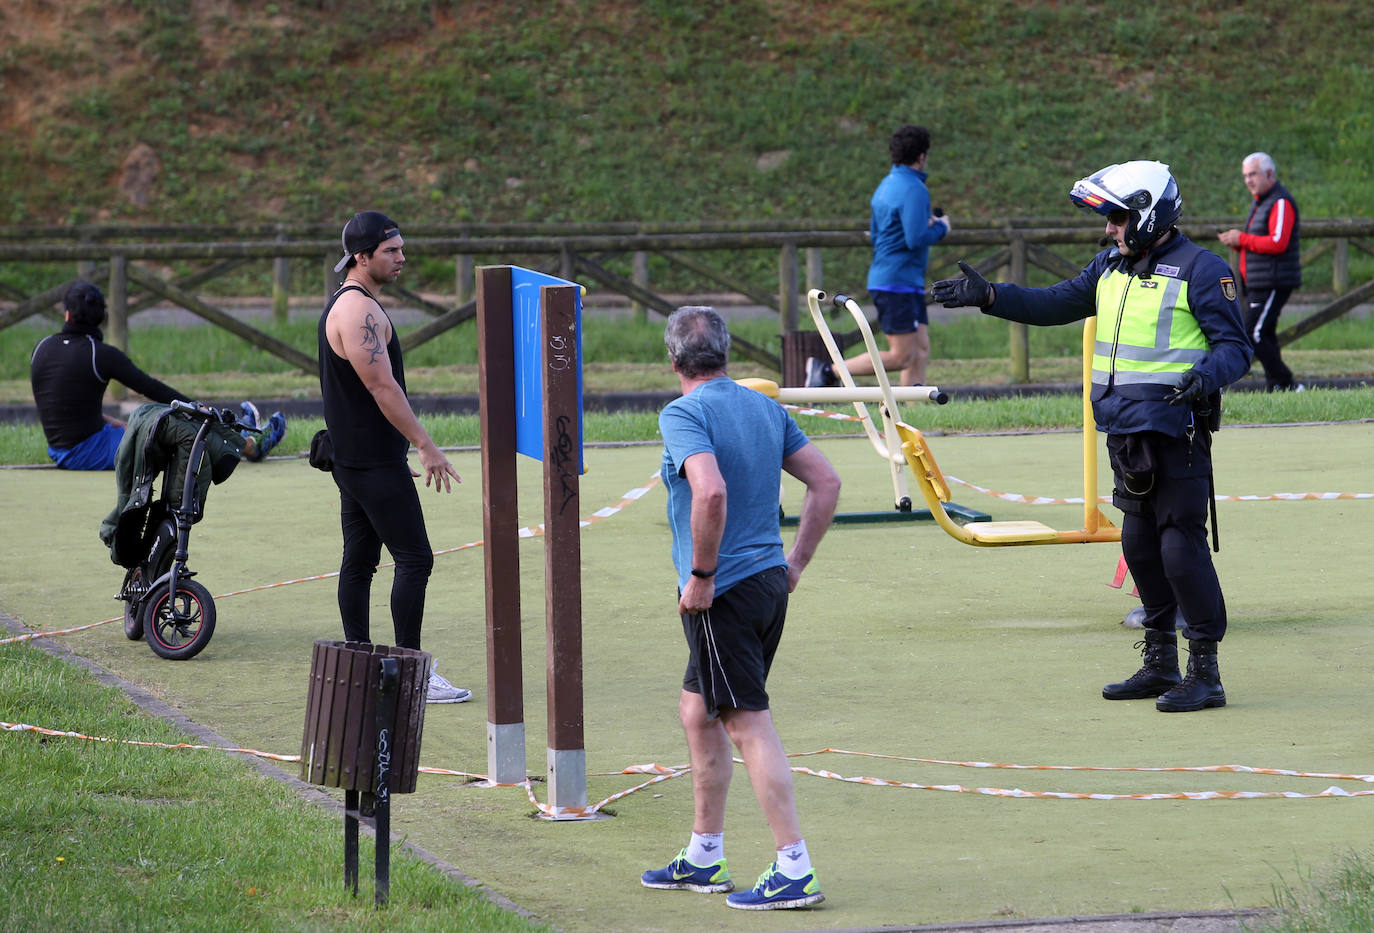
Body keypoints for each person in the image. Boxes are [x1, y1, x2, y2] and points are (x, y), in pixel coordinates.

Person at [930, 161, 1253, 713]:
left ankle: (1206, 673)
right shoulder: (1110, 265)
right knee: (1140, 548)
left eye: (1118, 218)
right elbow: (1054, 302)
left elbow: (1236, 348)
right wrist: (989, 296)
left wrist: (1206, 376)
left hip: (1178, 433)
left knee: (1180, 549)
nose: (1108, 229)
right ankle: (1159, 664)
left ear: (1150, 216)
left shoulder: (1202, 270)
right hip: (1126, 432)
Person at [641, 306, 841, 910]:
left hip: (723, 593)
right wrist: (796, 563)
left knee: (746, 722)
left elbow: (711, 489)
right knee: (697, 710)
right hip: (766, 587)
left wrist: (702, 577)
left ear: (673, 361)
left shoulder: (683, 413)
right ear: (725, 355)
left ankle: (794, 868)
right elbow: (826, 482)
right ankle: (704, 855)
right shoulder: (763, 406)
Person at [319, 210, 470, 705]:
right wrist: (426, 445)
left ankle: (359, 662)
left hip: (360, 457)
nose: (402, 258)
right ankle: (411, 675)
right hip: (367, 462)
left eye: (401, 248)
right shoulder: (358, 311)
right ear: (362, 257)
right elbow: (381, 388)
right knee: (415, 558)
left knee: (360, 561)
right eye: (392, 251)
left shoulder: (350, 304)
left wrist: (390, 448)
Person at [30, 281, 286, 470]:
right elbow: (154, 389)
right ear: (100, 320)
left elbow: (70, 414)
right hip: (86, 452)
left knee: (150, 422)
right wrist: (200, 409)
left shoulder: (41, 348)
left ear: (66, 315)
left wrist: (124, 426)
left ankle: (236, 433)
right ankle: (249, 446)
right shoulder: (100, 354)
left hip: (62, 449)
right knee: (177, 430)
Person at [806, 124, 950, 389]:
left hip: (896, 278)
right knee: (901, 356)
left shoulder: (885, 185)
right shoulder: (916, 189)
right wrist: (941, 227)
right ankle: (827, 371)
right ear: (922, 156)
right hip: (898, 282)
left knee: (920, 349)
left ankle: (913, 416)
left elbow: (878, 232)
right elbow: (915, 239)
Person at [1218, 152, 1303, 391]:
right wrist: (1238, 241)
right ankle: (1277, 386)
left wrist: (1241, 238)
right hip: (1258, 282)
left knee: (1254, 333)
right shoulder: (1261, 201)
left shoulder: (1280, 201)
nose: (1248, 180)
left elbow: (1278, 242)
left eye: (1253, 174)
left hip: (1273, 281)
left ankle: (1287, 384)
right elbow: (1261, 239)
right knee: (1263, 334)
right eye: (1245, 175)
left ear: (1269, 173)